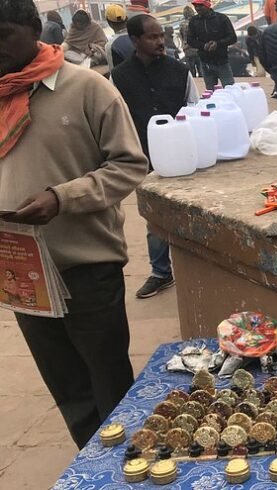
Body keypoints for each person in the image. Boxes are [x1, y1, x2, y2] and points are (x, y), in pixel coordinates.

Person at [0, 0, 148, 448]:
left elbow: (129, 164)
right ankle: (92, 466)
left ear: (32, 28)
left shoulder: (86, 87)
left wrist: (62, 197)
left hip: (85, 265)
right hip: (22, 274)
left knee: (110, 385)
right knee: (68, 390)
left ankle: (132, 466)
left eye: (3, 35)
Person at [111, 14, 197, 299]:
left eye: (161, 35)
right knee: (155, 217)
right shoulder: (120, 77)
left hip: (183, 156)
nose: (160, 41)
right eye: (152, 37)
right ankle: (161, 272)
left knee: (193, 212)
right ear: (135, 41)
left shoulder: (179, 70)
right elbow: (115, 118)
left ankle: (199, 269)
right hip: (145, 158)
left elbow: (195, 109)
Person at [187, 0, 237, 88]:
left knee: (230, 89)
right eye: (195, 6)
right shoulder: (194, 21)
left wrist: (218, 43)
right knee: (210, 91)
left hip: (222, 61)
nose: (197, 8)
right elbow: (190, 40)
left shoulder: (222, 19)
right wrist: (203, 46)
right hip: (205, 62)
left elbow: (232, 37)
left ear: (207, 5)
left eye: (200, 5)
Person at [106, 4, 134, 71]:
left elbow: (113, 74)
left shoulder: (110, 45)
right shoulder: (138, 36)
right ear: (126, 19)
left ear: (109, 23)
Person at [179, 5, 201, 76]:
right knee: (201, 70)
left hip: (187, 49)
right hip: (198, 48)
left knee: (191, 71)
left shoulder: (182, 24)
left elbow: (181, 36)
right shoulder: (198, 22)